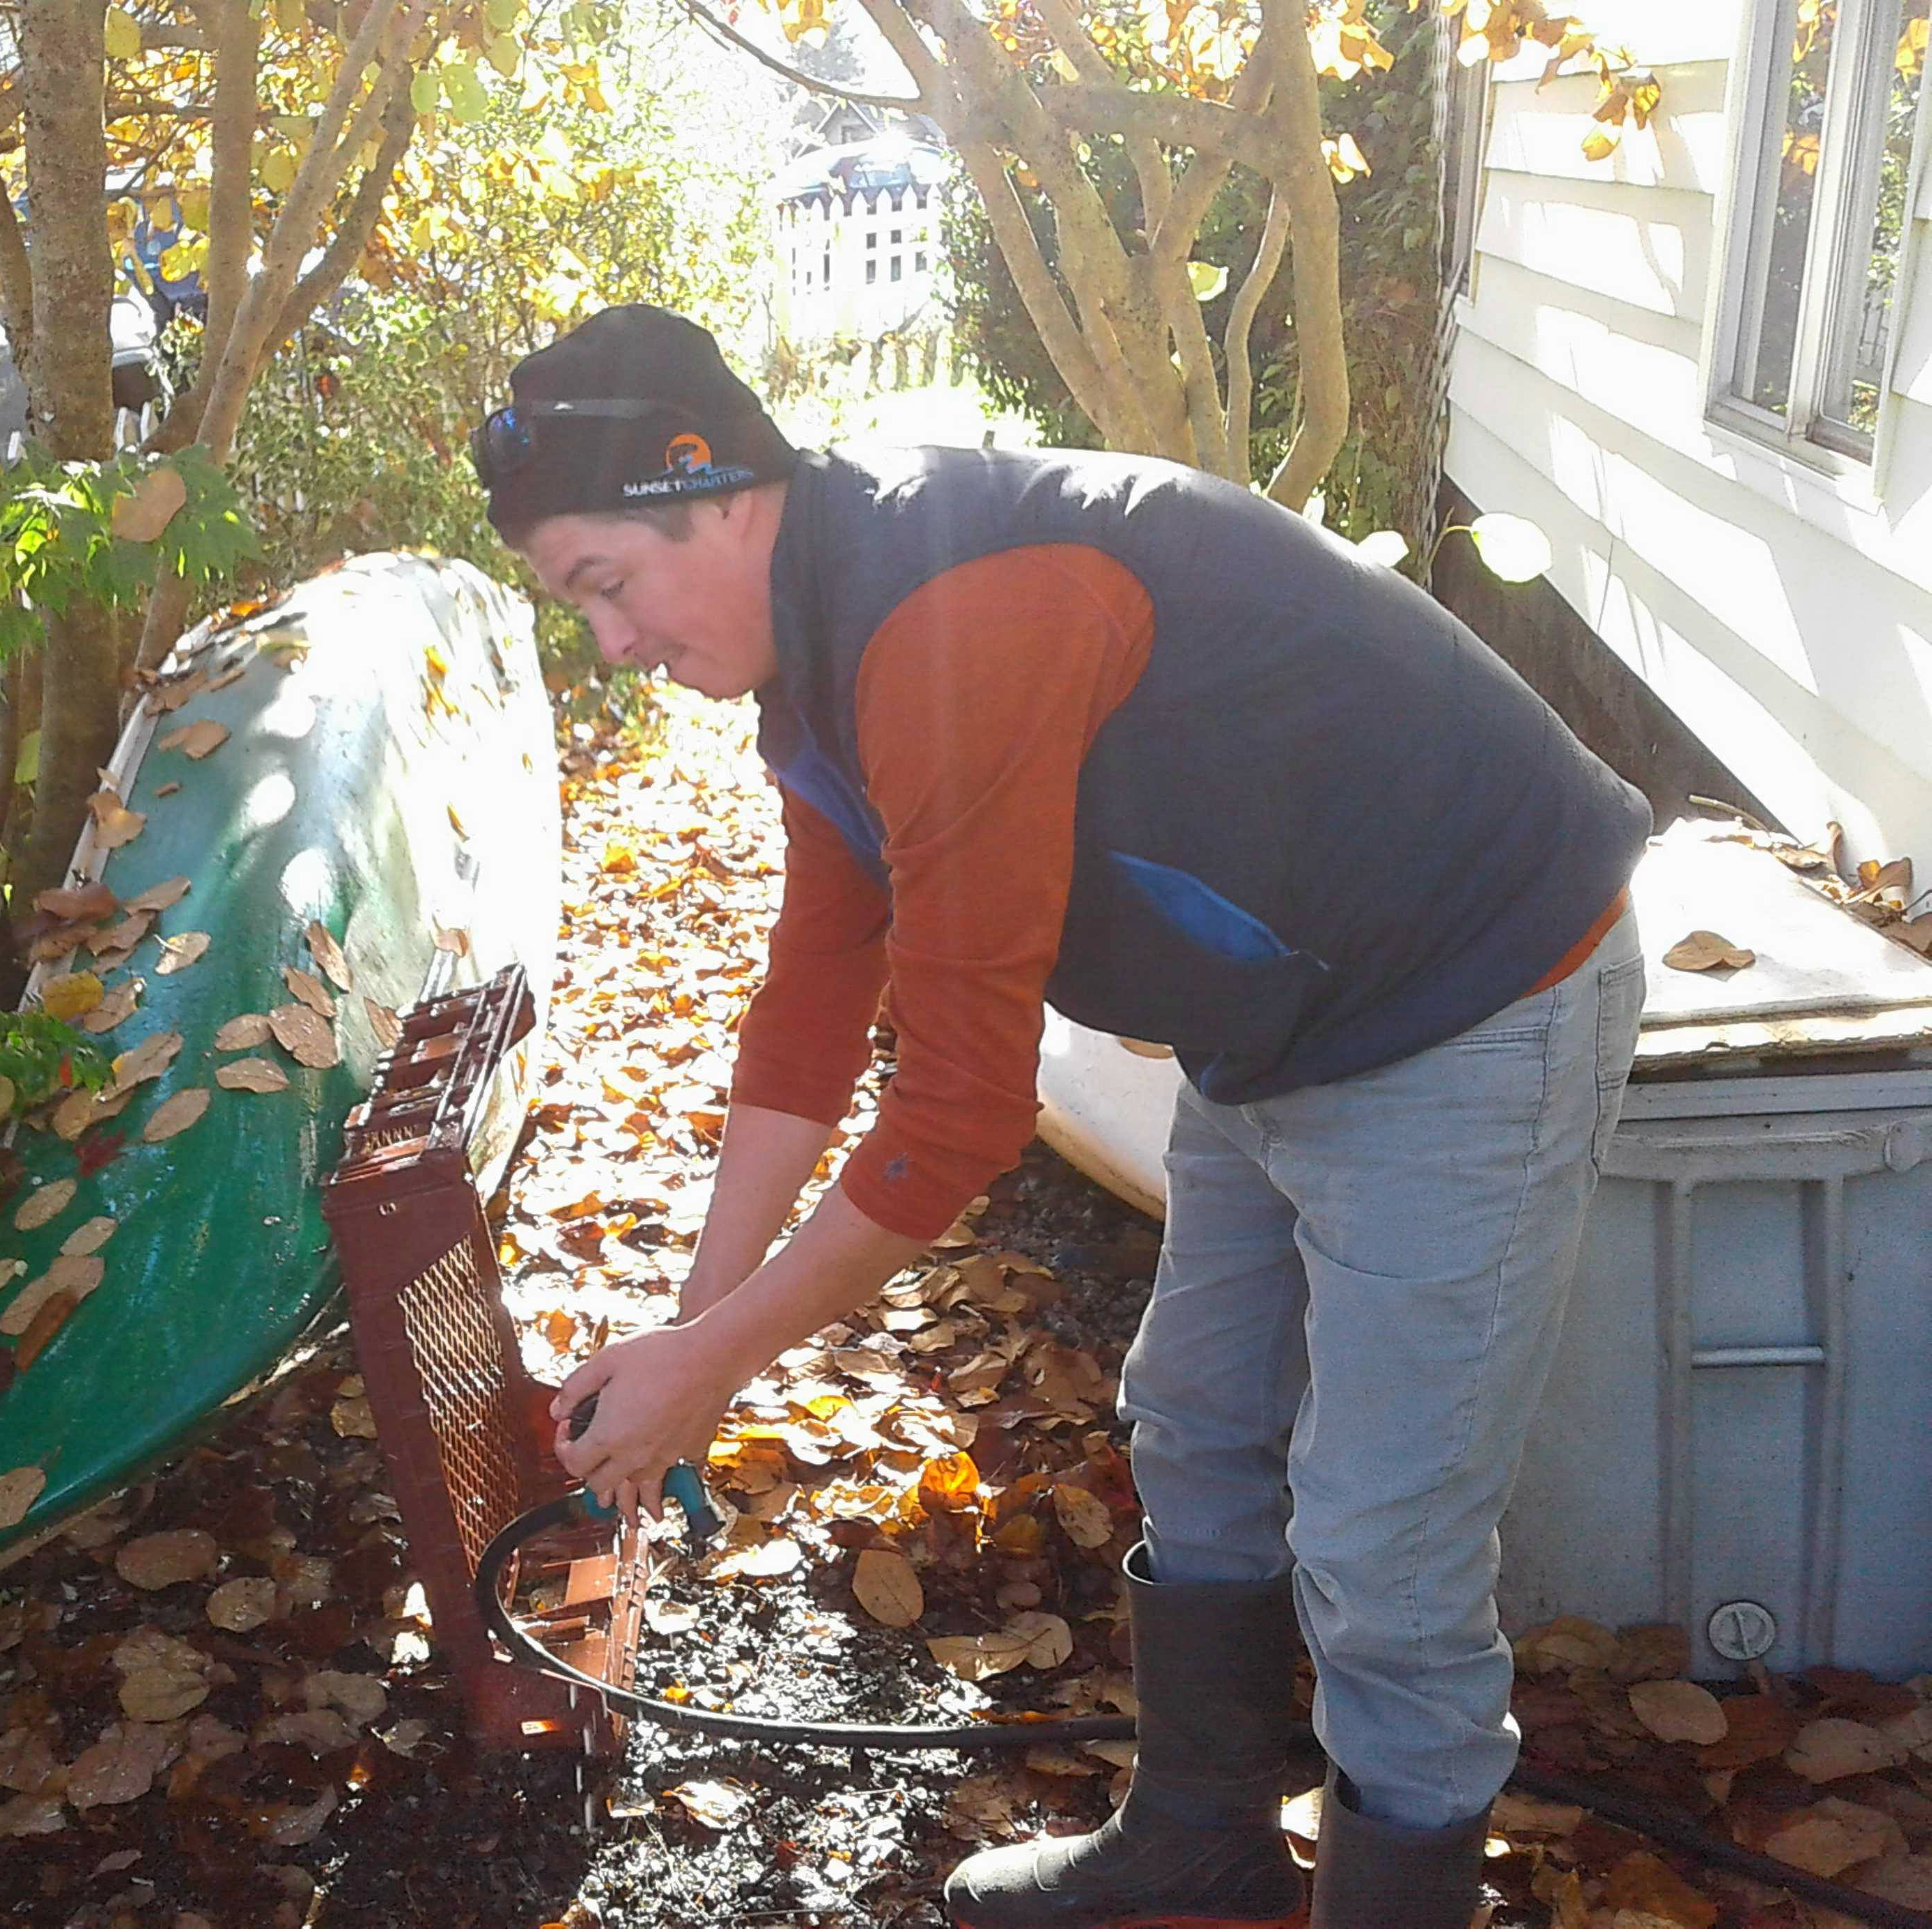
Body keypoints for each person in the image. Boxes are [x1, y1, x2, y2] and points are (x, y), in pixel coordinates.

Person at [473, 303, 1648, 1929]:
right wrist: (695, 1327)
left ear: (724, 496)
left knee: (1383, 1536)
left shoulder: (961, 616)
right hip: (1279, 1017)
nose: (607, 641)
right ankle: (1204, 1842)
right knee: (1193, 1421)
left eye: (603, 584)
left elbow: (957, 1111)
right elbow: (816, 1003)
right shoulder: (820, 653)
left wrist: (719, 1364)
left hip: (1473, 989)